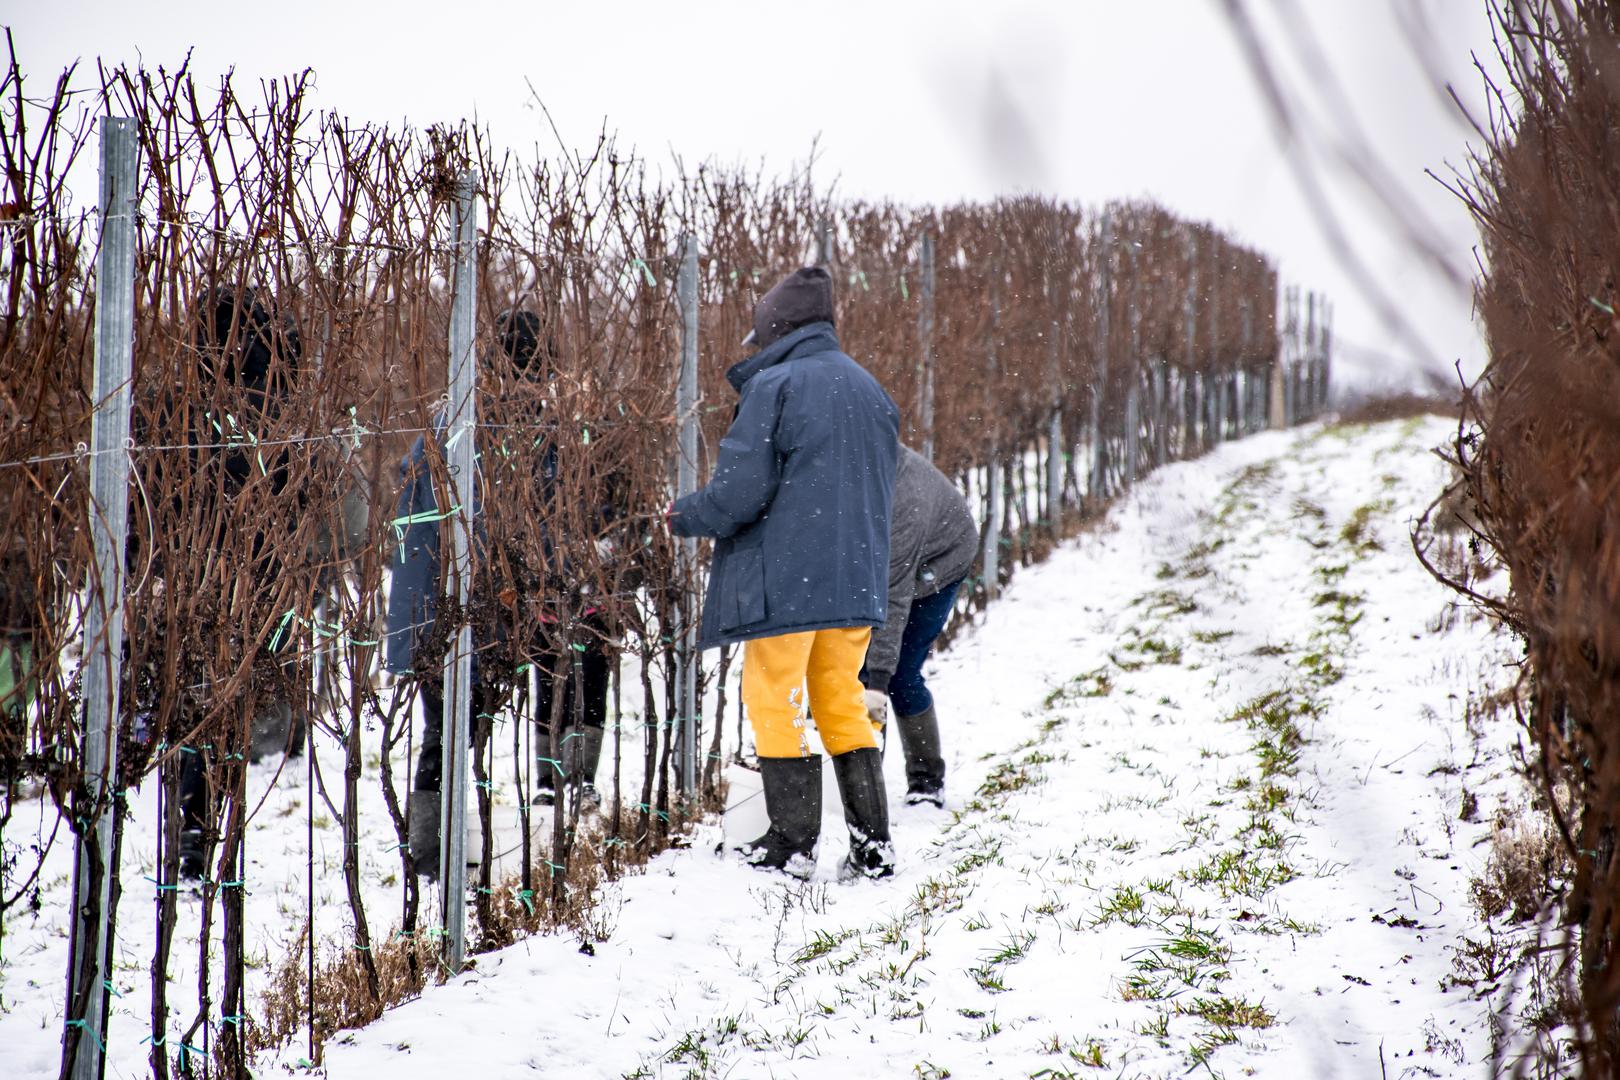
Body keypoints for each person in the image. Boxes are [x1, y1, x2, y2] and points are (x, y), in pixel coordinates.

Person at [671, 266, 900, 881]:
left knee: (774, 696)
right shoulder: (870, 389)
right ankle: (873, 846)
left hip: (792, 582)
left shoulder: (776, 386)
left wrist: (683, 514)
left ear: (779, 330)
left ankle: (792, 845)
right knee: (840, 700)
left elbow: (739, 492)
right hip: (855, 579)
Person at [385, 308, 613, 879]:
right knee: (465, 724)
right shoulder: (539, 430)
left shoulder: (447, 423)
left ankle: (433, 852)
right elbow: (544, 524)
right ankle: (445, 851)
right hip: (484, 604)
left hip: (441, 603)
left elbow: (416, 523)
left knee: (446, 730)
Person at [860, 446, 977, 808]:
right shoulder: (851, 474)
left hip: (941, 563)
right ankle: (858, 780)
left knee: (900, 673)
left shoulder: (903, 505)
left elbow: (893, 598)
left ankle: (927, 780)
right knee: (849, 668)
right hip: (895, 562)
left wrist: (877, 680)